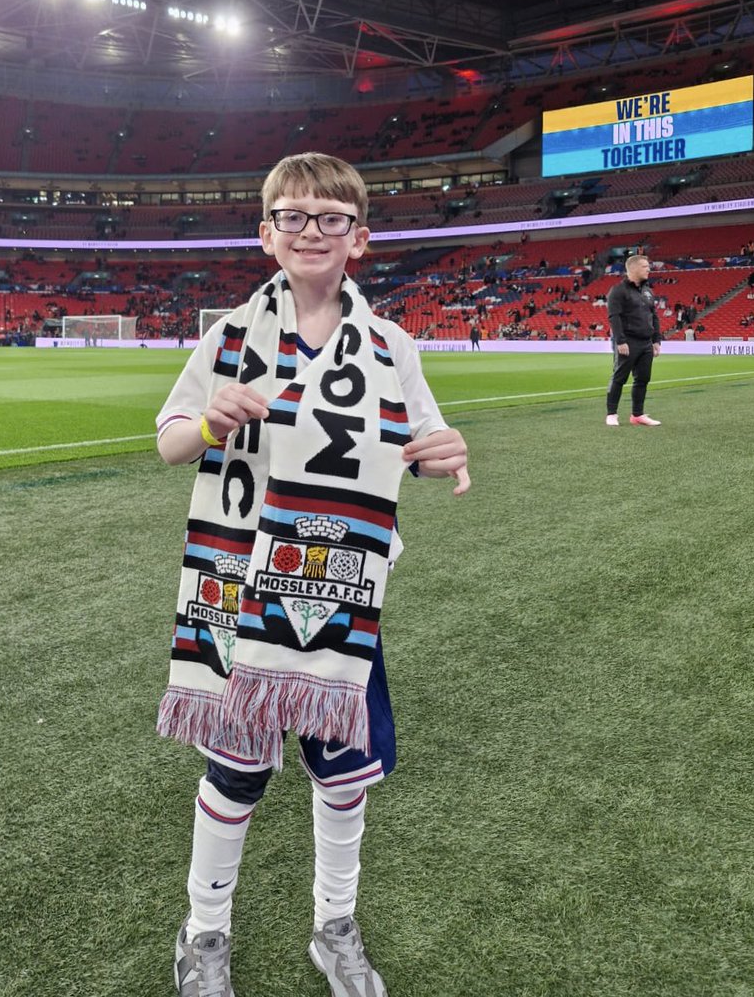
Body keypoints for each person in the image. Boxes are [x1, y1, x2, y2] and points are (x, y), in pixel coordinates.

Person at [155, 152, 471, 997]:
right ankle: (204, 934)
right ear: (267, 235)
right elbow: (169, 438)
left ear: (358, 239)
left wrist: (445, 455)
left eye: (329, 218)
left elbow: (425, 444)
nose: (309, 231)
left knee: (341, 776)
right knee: (235, 772)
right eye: (291, 217)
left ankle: (334, 926)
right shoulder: (227, 335)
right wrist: (207, 424)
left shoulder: (392, 346)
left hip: (339, 592)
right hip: (241, 589)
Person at [605, 253, 662, 426]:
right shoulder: (618, 291)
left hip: (646, 342)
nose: (649, 269)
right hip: (628, 341)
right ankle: (612, 414)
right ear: (634, 268)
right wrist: (620, 341)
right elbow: (614, 317)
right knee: (619, 377)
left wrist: (656, 340)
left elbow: (654, 316)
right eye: (645, 266)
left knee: (643, 379)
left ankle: (637, 415)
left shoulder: (647, 291)